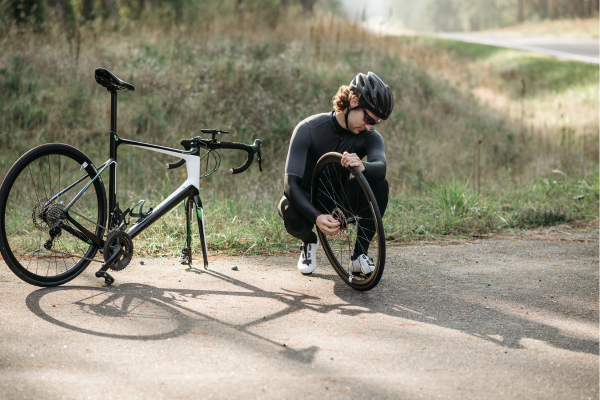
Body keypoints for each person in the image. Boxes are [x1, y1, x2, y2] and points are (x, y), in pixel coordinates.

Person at [278, 71, 393, 275]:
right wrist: (316, 218)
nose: (368, 127)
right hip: (306, 202)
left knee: (380, 183)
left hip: (337, 200)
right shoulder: (309, 129)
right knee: (288, 208)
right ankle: (309, 241)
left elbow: (381, 167)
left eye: (374, 122)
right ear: (353, 100)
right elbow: (290, 184)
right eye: (367, 118)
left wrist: (363, 165)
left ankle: (359, 256)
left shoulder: (369, 136)